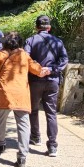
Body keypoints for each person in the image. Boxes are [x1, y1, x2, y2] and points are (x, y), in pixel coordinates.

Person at [0, 32, 50, 167]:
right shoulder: (24, 55)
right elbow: (36, 69)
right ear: (19, 43)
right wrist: (44, 70)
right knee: (23, 124)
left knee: (1, 119)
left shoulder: (0, 54)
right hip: (20, 94)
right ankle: (22, 156)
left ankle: (0, 144)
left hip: (4, 93)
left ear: (5, 43)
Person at [24, 14, 69, 157]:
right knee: (51, 113)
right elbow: (64, 59)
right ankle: (53, 146)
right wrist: (51, 69)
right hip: (52, 80)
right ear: (49, 28)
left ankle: (35, 136)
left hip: (35, 81)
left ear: (37, 27)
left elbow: (26, 58)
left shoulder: (30, 40)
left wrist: (39, 70)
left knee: (33, 109)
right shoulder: (58, 41)